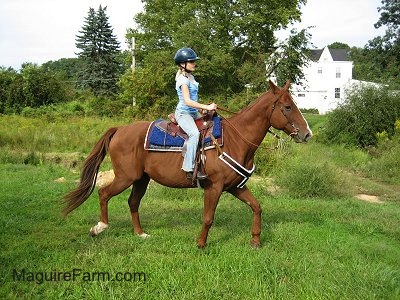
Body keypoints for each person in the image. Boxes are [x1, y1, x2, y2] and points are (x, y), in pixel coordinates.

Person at [174, 47, 217, 180]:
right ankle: (188, 168)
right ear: (182, 64)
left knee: (211, 126)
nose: (194, 64)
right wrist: (206, 106)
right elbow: (187, 101)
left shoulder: (191, 77)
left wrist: (202, 110)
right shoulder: (182, 80)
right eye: (191, 61)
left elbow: (193, 101)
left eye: (194, 61)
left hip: (193, 113)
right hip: (183, 114)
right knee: (194, 134)